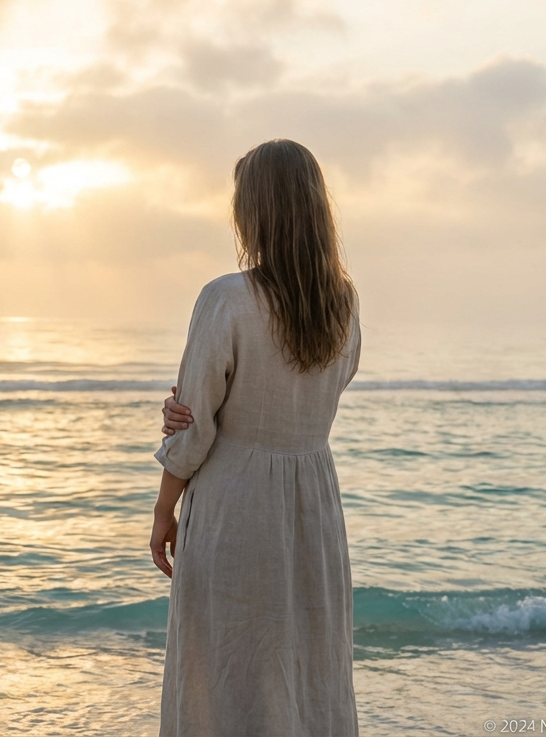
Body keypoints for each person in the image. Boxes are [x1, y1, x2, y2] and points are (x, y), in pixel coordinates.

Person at [150, 139, 361, 736]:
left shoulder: (228, 299)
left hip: (234, 505)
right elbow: (322, 395)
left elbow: (193, 429)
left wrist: (164, 509)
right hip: (313, 509)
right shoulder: (342, 305)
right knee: (304, 666)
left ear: (257, 211)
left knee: (226, 670)